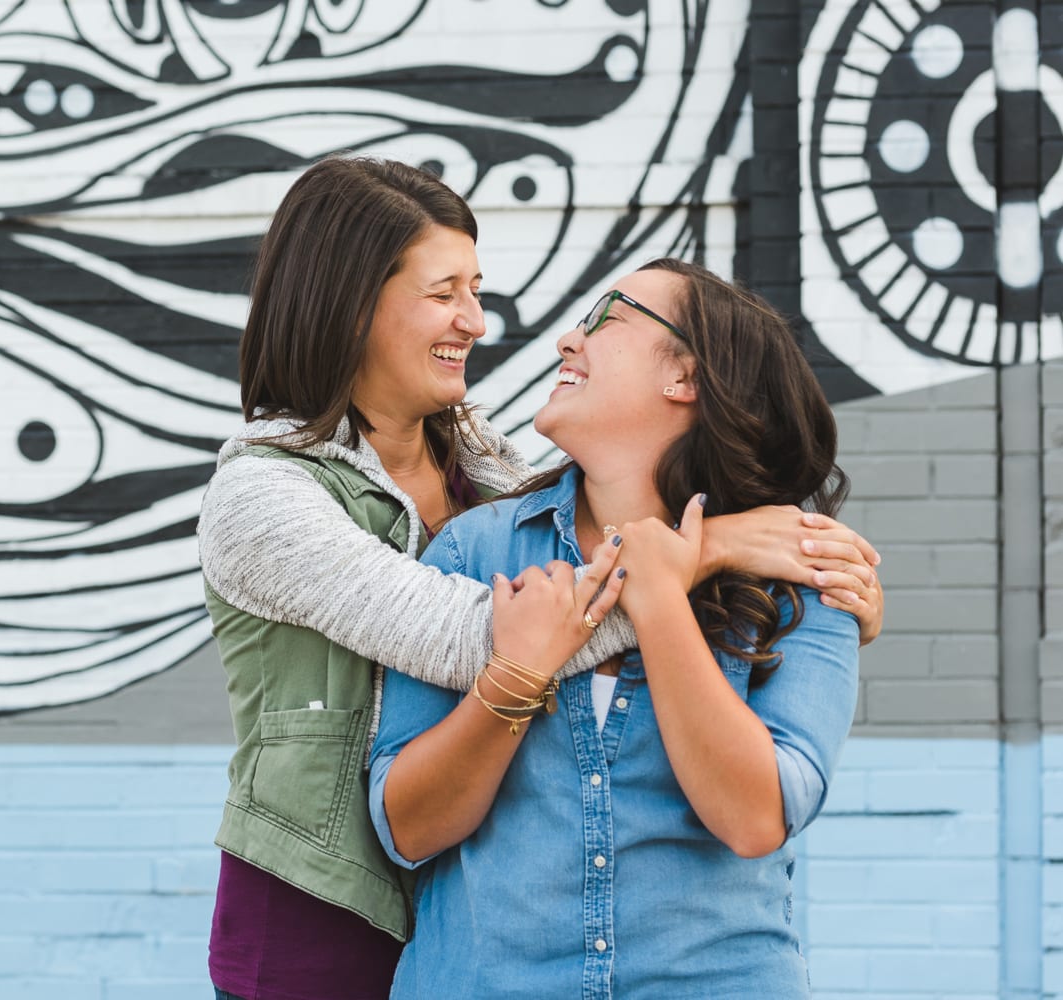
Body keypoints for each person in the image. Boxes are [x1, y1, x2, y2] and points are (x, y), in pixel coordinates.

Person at [199, 160, 882, 1000]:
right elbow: (468, 635)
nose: (478, 322)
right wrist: (696, 556)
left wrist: (808, 601)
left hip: (445, 926)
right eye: (445, 292)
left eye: (475, 289)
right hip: (319, 917)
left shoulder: (481, 472)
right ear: (353, 301)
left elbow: (586, 525)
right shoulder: (262, 494)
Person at [369, 258, 864, 998]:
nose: (569, 338)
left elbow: (756, 817)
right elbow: (405, 828)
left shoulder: (801, 572)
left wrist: (662, 597)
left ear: (686, 377)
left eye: (608, 318)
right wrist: (515, 678)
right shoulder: (475, 552)